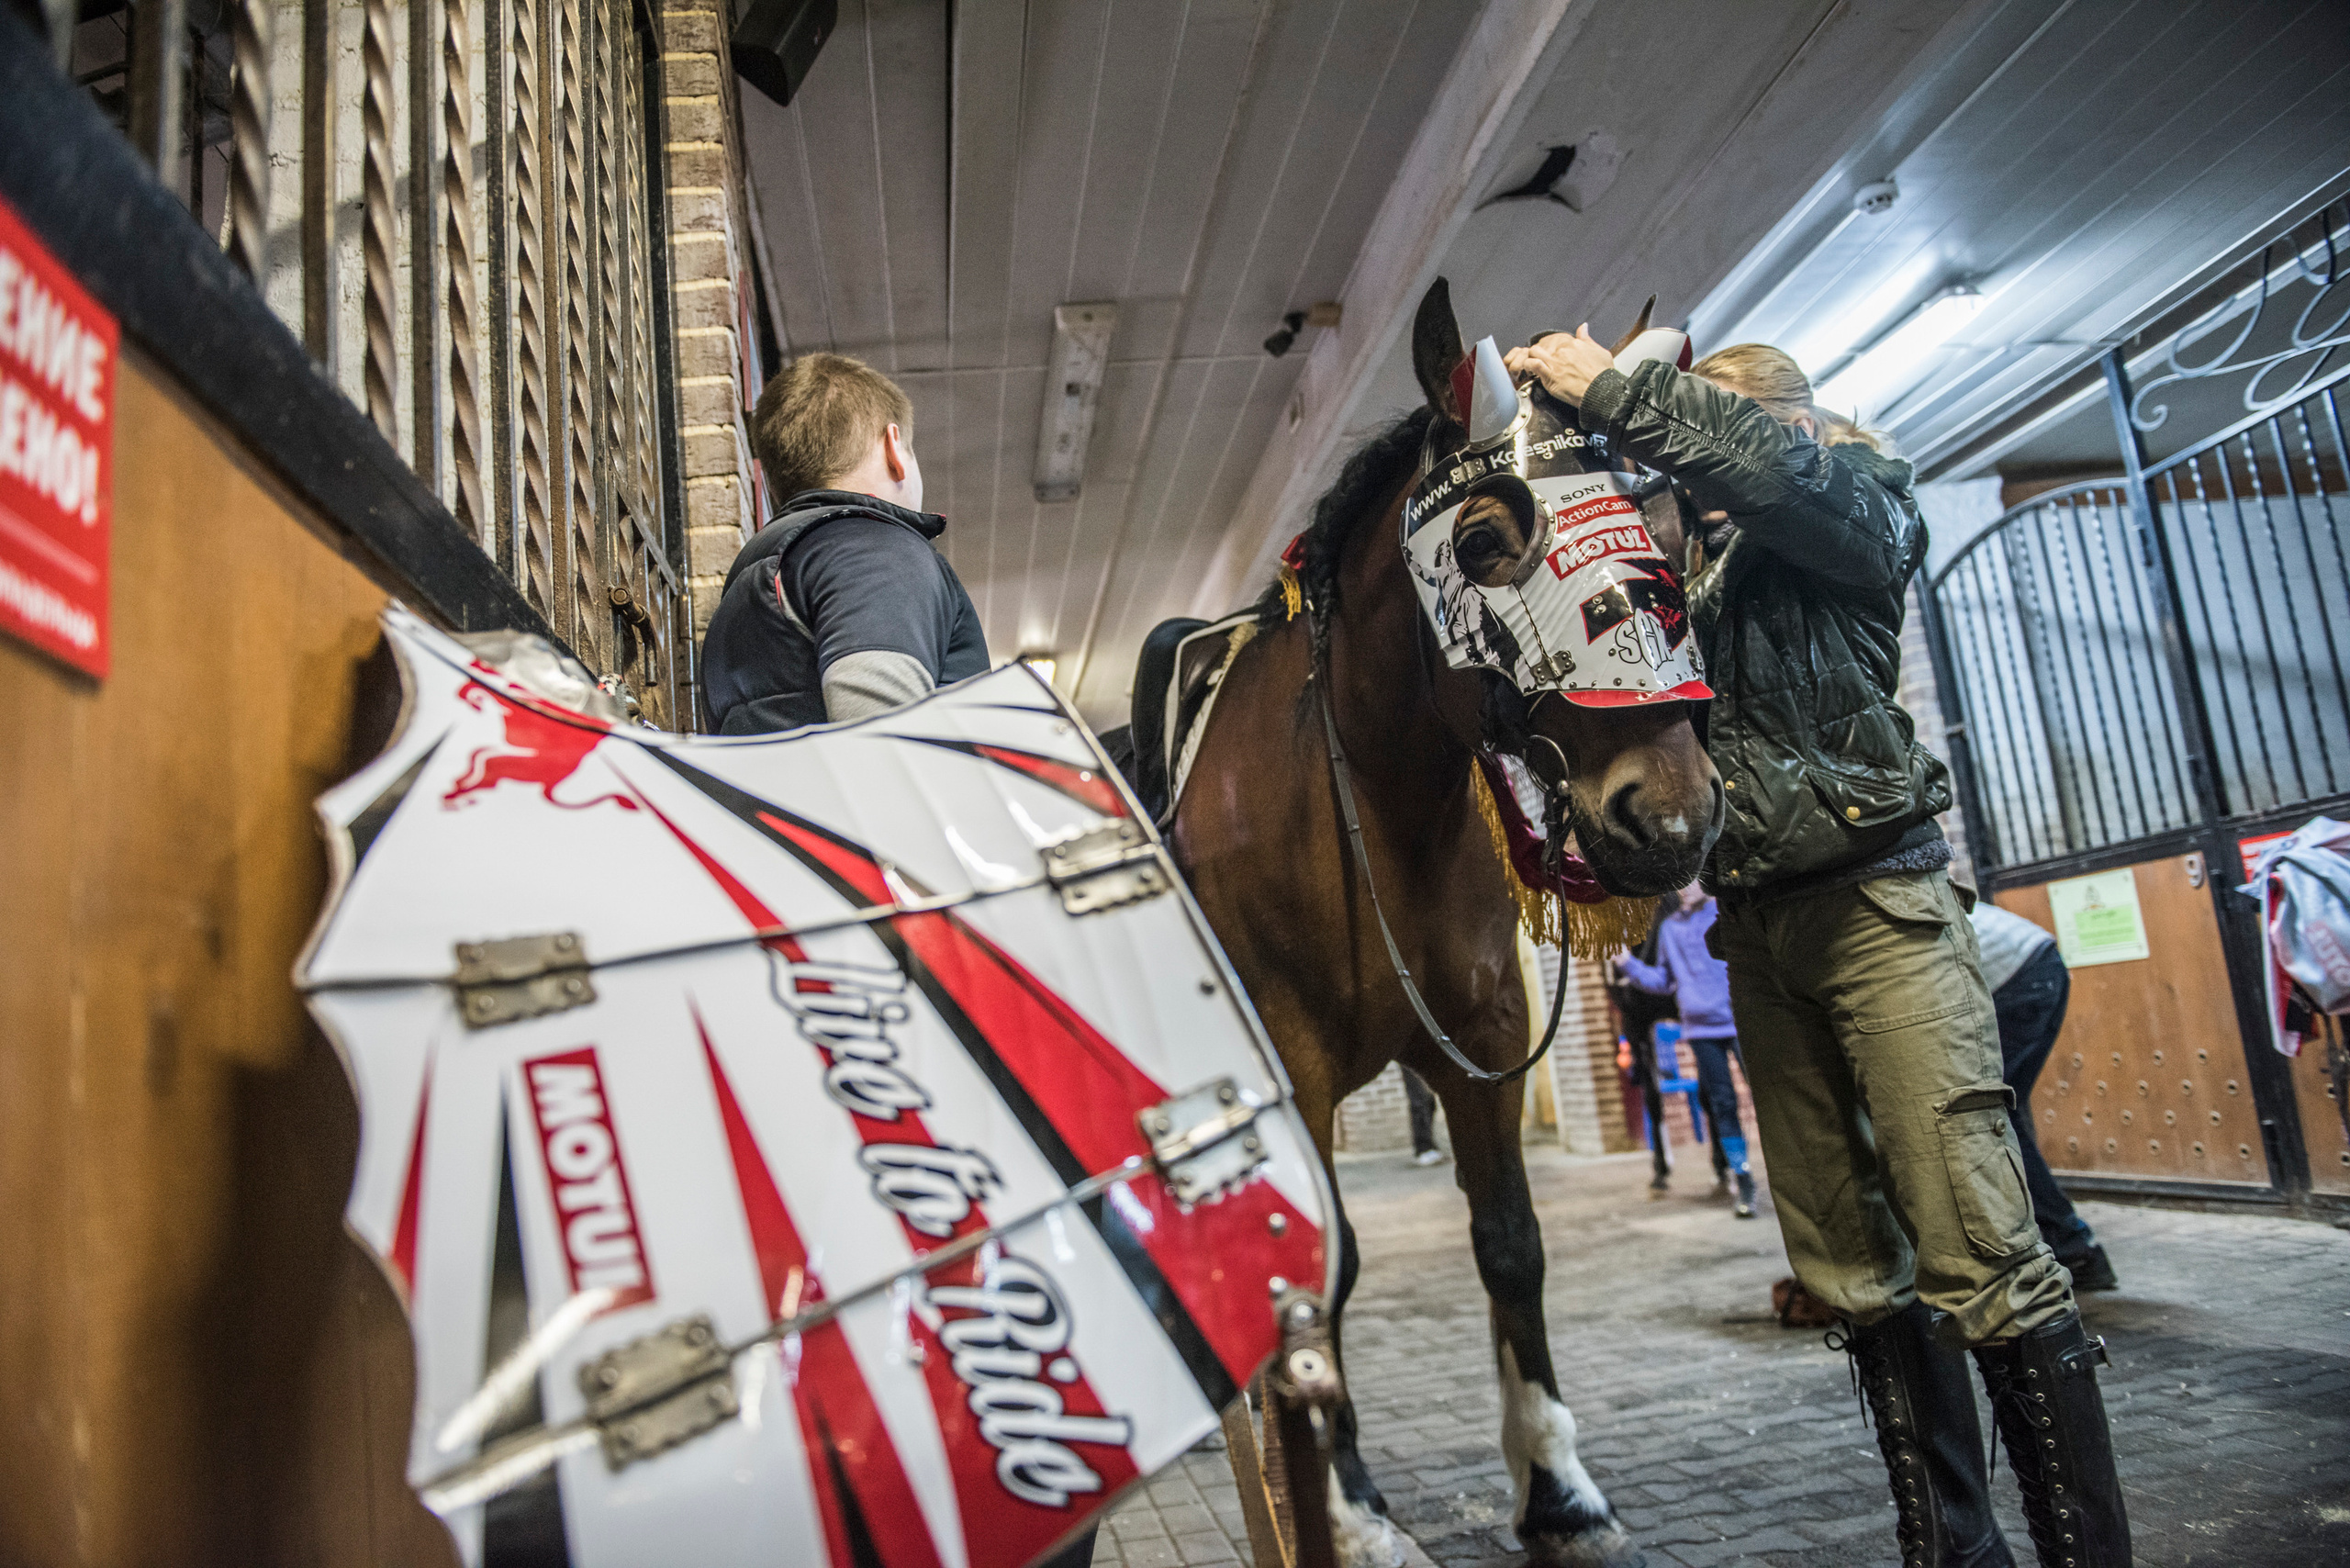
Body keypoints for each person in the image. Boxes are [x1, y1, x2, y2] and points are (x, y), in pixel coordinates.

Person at [1506, 330, 2131, 1568]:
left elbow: (1774, 479)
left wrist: (1623, 390)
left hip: (1877, 914)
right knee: (1850, 1270)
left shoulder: (1853, 511)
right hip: (1760, 935)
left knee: (1983, 1251)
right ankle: (1951, 1550)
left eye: (1705, 438)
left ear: (1783, 426)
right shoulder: (1698, 580)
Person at [701, 353, 989, 733]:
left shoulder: (749, 592)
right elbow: (883, 746)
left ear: (774, 485)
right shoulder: (878, 552)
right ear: (894, 447)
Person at [1971, 902, 2118, 1291]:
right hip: (2036, 962)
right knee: (2001, 1116)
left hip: (2015, 976)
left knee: (1991, 1119)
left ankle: (2070, 1248)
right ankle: (2072, 1248)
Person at [1617, 882, 1759, 1217]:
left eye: (1690, 880)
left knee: (1766, 1095)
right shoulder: (1670, 929)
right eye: (1678, 884)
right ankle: (1743, 1177)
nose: (1683, 888)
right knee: (1723, 1102)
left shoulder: (1724, 913)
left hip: (1740, 1021)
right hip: (1701, 1030)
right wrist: (1627, 964)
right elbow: (1664, 981)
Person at [1401, 1066, 1445, 1165]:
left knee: (1429, 1101)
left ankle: (1430, 1146)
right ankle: (1423, 1149)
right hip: (1410, 1056)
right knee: (1419, 1100)